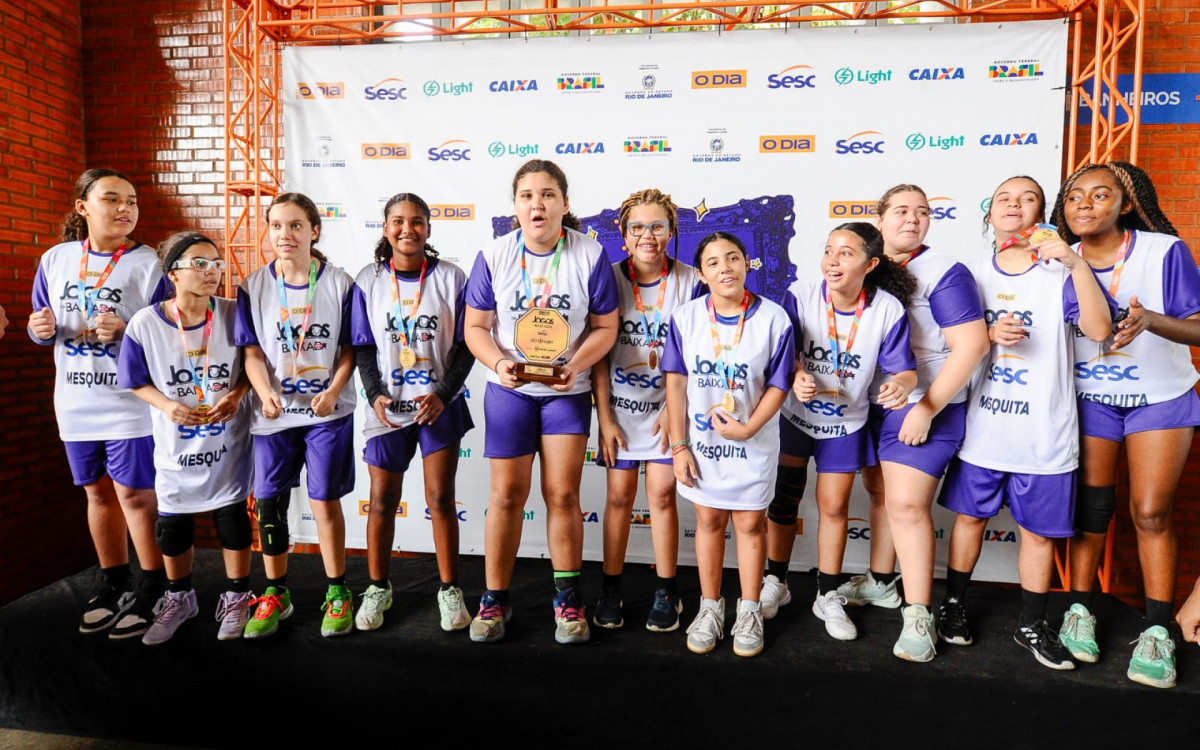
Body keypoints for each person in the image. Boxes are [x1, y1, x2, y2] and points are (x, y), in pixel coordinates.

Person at [936, 175, 1113, 670]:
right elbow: (946, 345)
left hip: (1046, 429)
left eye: (1027, 198)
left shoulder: (1061, 272)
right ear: (988, 213)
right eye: (1003, 199)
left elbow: (1100, 330)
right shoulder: (968, 274)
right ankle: (952, 608)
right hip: (986, 425)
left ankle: (1032, 624)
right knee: (970, 518)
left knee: (1037, 534)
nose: (1014, 205)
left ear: (1041, 213)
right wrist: (987, 333)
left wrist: (1075, 261)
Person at [1050, 161, 1200, 688]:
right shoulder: (1056, 259)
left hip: (1158, 397)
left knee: (1151, 510)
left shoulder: (1163, 252)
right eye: (1073, 197)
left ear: (1127, 203)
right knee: (1091, 510)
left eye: (1100, 194)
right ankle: (1079, 610)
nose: (1084, 204)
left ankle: (1158, 631)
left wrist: (1151, 321)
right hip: (1091, 399)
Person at [462, 159, 619, 644]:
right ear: (515, 205)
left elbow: (606, 328)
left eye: (548, 194)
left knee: (563, 496)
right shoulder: (494, 255)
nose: (538, 204)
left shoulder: (590, 255)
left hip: (565, 393)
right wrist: (496, 363)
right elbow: (474, 327)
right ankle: (494, 601)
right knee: (506, 496)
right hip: (510, 392)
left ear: (565, 204)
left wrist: (576, 366)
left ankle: (568, 601)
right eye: (527, 195)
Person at [832, 186, 988, 661]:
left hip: (925, 404)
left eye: (923, 212)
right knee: (880, 494)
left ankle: (919, 613)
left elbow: (973, 345)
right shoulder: (865, 264)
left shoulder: (944, 271)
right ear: (878, 221)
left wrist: (926, 407)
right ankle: (882, 582)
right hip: (874, 400)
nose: (913, 219)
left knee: (904, 505)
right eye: (901, 211)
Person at [28, 168, 170, 639]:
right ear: (82, 207)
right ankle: (113, 582)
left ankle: (153, 586)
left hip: (130, 401)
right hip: (73, 399)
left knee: (134, 494)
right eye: (112, 199)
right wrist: (38, 329)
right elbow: (39, 320)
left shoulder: (150, 263)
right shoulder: (55, 259)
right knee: (95, 493)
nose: (125, 208)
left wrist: (129, 329)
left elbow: (174, 334)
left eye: (131, 200)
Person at [762, 222, 917, 644]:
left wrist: (900, 385)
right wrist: (795, 375)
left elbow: (903, 368)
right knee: (785, 496)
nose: (833, 260)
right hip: (795, 417)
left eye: (846, 253)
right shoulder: (801, 294)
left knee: (834, 506)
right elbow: (781, 351)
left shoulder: (886, 309)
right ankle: (776, 580)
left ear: (870, 263)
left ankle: (827, 593)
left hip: (846, 423)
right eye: (829, 250)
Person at [118, 232, 255, 644]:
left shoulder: (233, 313)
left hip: (226, 439)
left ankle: (237, 596)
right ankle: (179, 598)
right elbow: (134, 380)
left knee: (232, 520)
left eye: (216, 263)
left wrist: (235, 395)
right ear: (173, 272)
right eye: (199, 263)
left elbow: (255, 367)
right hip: (177, 442)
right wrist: (165, 405)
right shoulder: (146, 322)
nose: (212, 271)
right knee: (172, 526)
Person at [664, 231, 793, 657]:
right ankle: (710, 608)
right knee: (709, 523)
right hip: (702, 445)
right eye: (714, 262)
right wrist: (679, 446)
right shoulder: (685, 318)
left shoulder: (774, 318)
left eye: (733, 258)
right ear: (700, 273)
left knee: (751, 525)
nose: (726, 268)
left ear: (746, 264)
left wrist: (749, 427)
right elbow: (677, 384)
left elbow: (779, 384)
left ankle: (750, 609)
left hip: (753, 442)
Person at [351, 193, 475, 632]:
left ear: (429, 228)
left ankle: (449, 590)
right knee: (382, 502)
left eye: (417, 221)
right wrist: (373, 393)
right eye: (398, 221)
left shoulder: (452, 278)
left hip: (437, 405)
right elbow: (363, 346)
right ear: (385, 228)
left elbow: (467, 345)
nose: (408, 229)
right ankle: (378, 586)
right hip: (388, 408)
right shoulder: (367, 279)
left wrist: (443, 391)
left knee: (441, 500)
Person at [235, 192, 357, 638]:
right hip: (273, 415)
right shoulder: (252, 285)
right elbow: (250, 353)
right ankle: (275, 592)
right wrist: (264, 393)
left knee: (325, 500)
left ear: (314, 231)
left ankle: (338, 590)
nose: (285, 234)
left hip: (327, 412)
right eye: (277, 226)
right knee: (269, 505)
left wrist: (334, 390)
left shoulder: (340, 283)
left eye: (295, 226)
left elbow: (349, 351)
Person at [592, 188, 700, 633]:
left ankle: (667, 590)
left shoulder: (693, 280)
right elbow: (597, 353)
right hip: (619, 410)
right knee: (617, 498)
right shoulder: (609, 278)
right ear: (623, 233)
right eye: (637, 227)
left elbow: (703, 350)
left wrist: (676, 412)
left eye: (657, 226)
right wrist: (605, 418)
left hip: (668, 409)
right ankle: (611, 587)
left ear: (672, 232)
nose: (648, 235)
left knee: (660, 495)